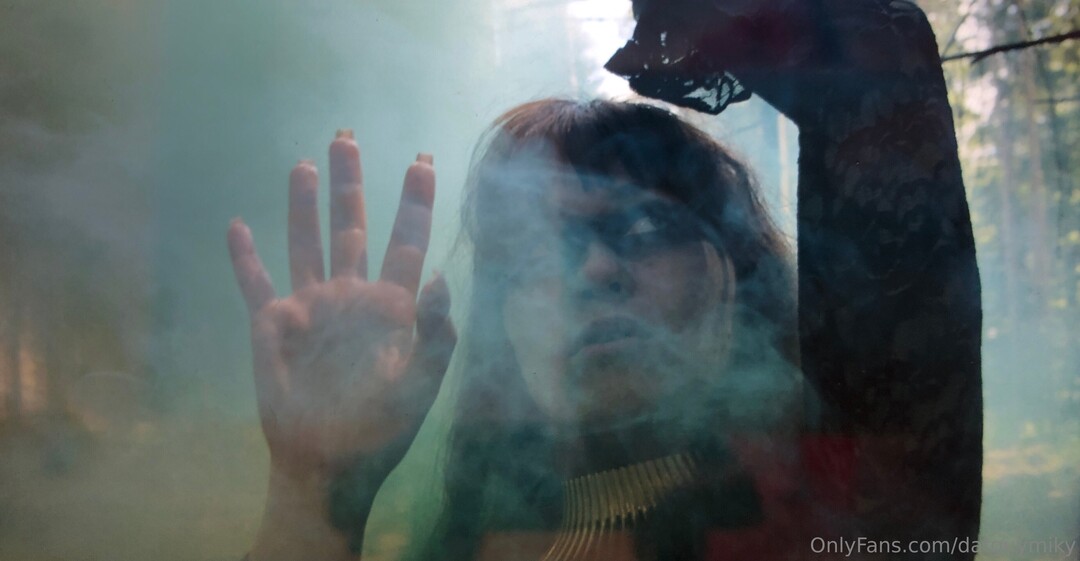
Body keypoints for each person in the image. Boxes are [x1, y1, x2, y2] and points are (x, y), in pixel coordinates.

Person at [228, 1, 982, 559]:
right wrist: (316, 490)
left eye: (643, 231)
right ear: (503, 331)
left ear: (736, 272)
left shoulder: (851, 509)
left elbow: (883, 88)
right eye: (536, 253)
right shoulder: (473, 543)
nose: (592, 269)